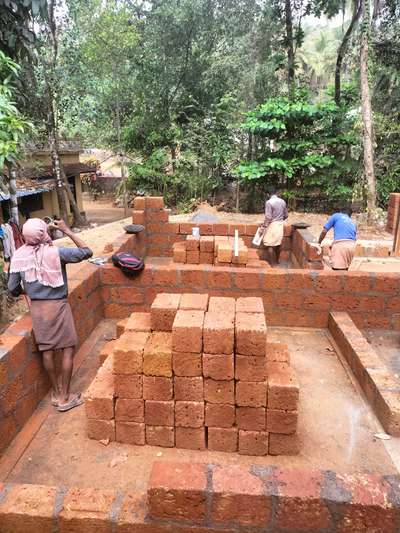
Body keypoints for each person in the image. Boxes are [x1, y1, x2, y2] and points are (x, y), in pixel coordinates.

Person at [8, 218, 93, 412]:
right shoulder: (56, 253)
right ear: (43, 233)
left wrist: (26, 292)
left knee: (47, 351)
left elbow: (12, 288)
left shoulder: (19, 256)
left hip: (38, 310)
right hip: (58, 307)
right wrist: (66, 230)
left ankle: (55, 393)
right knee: (67, 349)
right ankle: (65, 397)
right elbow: (86, 252)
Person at [318, 206, 357, 270]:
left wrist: (319, 243)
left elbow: (324, 231)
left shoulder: (336, 216)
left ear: (341, 212)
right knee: (344, 270)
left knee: (338, 273)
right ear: (350, 215)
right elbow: (353, 236)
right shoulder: (353, 222)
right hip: (352, 246)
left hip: (340, 246)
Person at [261, 187, 288, 266]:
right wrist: (280, 219)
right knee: (278, 243)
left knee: (270, 244)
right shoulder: (282, 201)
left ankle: (272, 264)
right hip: (280, 224)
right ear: (276, 193)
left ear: (268, 194)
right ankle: (277, 261)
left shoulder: (269, 202)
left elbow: (268, 217)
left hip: (272, 225)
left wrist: (263, 227)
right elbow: (286, 215)